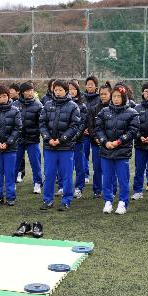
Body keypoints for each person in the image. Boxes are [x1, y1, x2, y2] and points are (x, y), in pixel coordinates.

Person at [39, 80, 81, 211]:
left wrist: (61, 139)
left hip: (66, 147)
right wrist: (47, 138)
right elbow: (42, 124)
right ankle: (47, 200)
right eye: (55, 90)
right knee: (49, 174)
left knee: (67, 175)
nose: (57, 92)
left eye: (60, 90)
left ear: (66, 91)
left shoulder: (73, 106)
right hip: (49, 147)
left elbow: (74, 126)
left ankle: (66, 200)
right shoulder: (47, 105)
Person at [96, 84, 139, 214]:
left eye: (118, 96)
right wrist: (105, 142)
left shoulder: (132, 113)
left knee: (123, 178)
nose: (116, 99)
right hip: (106, 151)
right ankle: (108, 201)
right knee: (107, 178)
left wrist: (119, 142)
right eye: (114, 96)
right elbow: (98, 128)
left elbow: (133, 131)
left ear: (124, 97)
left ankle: (122, 203)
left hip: (122, 152)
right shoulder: (104, 112)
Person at [14, 82, 44, 195]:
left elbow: (41, 123)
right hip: (18, 140)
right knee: (15, 162)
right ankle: (12, 183)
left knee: (35, 162)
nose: (30, 92)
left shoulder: (38, 105)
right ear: (22, 92)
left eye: (31, 90)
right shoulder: (15, 104)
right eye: (27, 91)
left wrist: (36, 133)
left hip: (32, 140)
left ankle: (37, 183)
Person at [88, 83, 111, 198]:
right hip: (97, 144)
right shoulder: (94, 109)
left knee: (111, 169)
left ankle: (112, 189)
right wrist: (96, 139)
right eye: (101, 94)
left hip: (111, 145)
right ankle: (97, 190)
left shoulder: (115, 108)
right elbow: (91, 127)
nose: (103, 96)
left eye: (105, 94)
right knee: (97, 168)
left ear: (110, 94)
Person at [68, 80, 88, 199]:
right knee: (65, 166)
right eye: (69, 89)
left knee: (79, 165)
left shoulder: (82, 106)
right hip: (64, 142)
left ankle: (78, 188)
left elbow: (82, 123)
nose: (72, 91)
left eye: (74, 89)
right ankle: (63, 187)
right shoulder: (63, 105)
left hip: (78, 141)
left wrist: (74, 136)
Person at [83, 76, 100, 182]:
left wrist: (91, 129)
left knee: (96, 156)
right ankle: (85, 175)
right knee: (83, 155)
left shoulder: (99, 98)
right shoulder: (82, 98)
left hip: (95, 132)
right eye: (88, 84)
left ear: (96, 86)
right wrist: (84, 128)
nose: (89, 86)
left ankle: (97, 177)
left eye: (92, 84)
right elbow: (80, 115)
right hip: (84, 132)